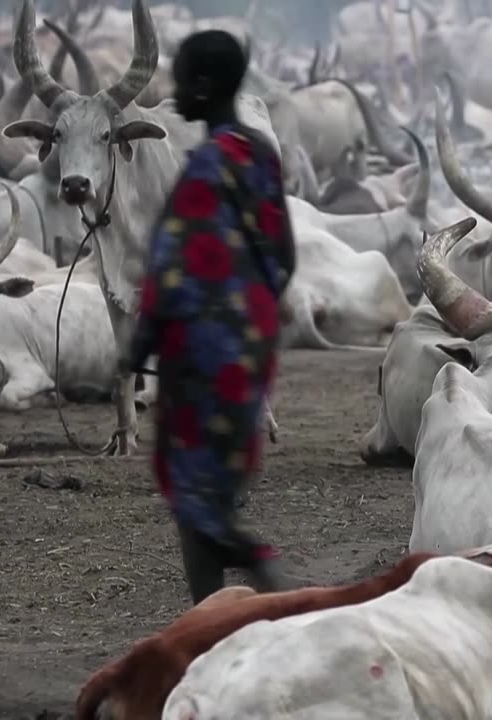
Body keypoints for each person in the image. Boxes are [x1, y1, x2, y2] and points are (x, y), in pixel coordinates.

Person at [128, 30, 295, 604]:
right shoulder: (260, 156)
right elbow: (285, 256)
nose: (171, 94)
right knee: (214, 491)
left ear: (203, 86)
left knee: (192, 498)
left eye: (178, 80)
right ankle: (223, 612)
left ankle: (239, 578)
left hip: (199, 359)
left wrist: (138, 347)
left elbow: (168, 272)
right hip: (251, 352)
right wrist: (252, 321)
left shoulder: (204, 167)